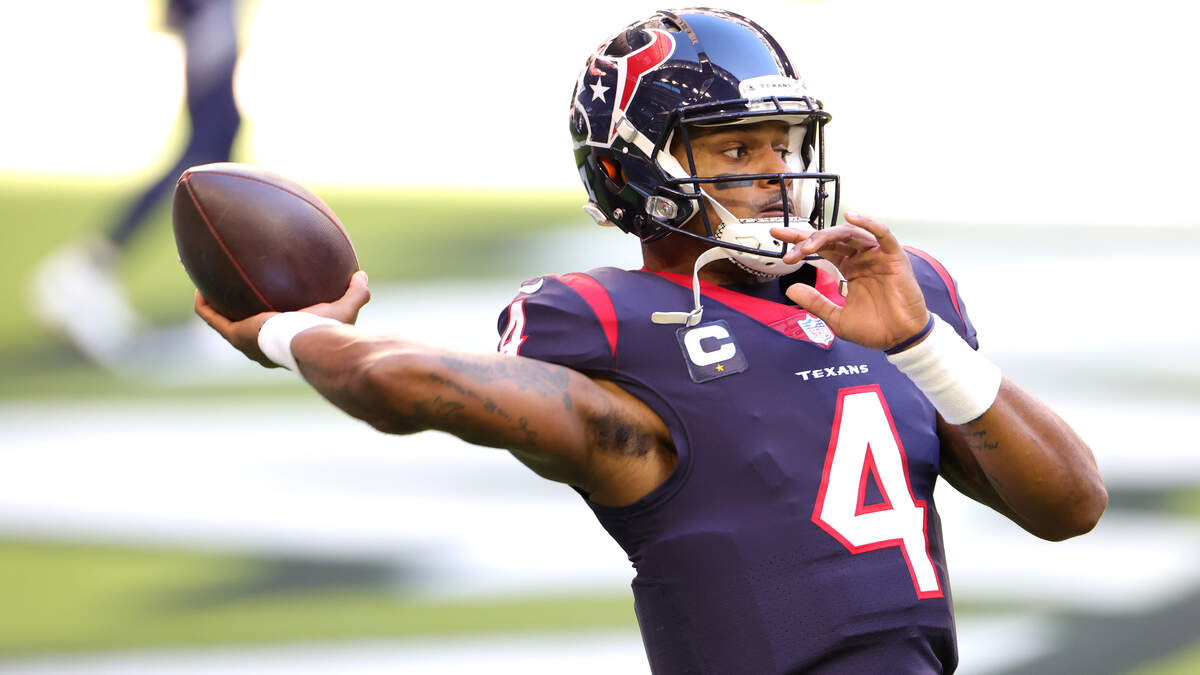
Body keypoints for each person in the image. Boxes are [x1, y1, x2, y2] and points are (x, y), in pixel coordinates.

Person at [195, 8, 1106, 673]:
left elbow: (1070, 505)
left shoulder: (894, 301)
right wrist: (288, 330)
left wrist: (920, 341)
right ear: (633, 170)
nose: (779, 176)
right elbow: (403, 381)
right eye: (737, 151)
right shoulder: (613, 326)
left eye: (785, 145)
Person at [32, 0, 241, 364]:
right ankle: (89, 267)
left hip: (209, 16)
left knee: (213, 149)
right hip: (207, 14)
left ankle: (92, 265)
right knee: (207, 152)